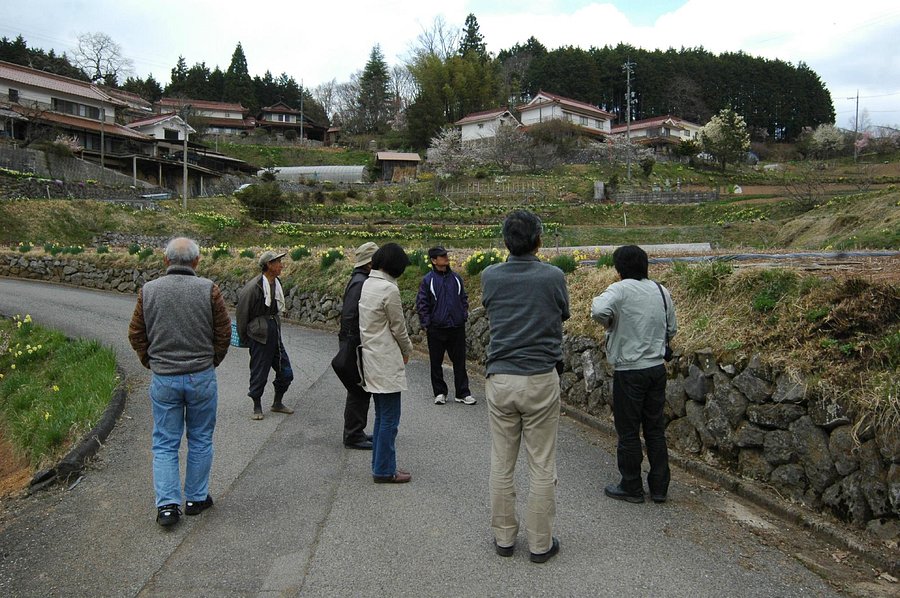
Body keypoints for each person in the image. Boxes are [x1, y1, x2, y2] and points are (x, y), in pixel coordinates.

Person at [481, 210, 570, 563]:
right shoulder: (553, 276)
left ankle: (504, 539)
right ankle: (539, 544)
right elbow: (562, 313)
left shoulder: (490, 276)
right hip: (540, 378)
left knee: (502, 462)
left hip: (501, 377)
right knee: (542, 464)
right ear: (539, 240)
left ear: (506, 242)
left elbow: (490, 307)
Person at [128, 237, 230, 527]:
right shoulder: (209, 290)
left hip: (164, 378)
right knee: (200, 438)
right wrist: (210, 362)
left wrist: (152, 362)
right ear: (197, 262)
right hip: (201, 376)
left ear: (166, 261)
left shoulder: (148, 291)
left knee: (164, 443)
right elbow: (223, 333)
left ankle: (168, 506)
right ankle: (196, 499)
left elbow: (136, 334)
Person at [590, 245, 678, 505]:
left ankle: (631, 485)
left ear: (619, 269)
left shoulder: (620, 289)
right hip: (656, 369)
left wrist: (611, 323)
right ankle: (659, 487)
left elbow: (598, 311)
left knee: (628, 431)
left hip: (629, 371)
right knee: (655, 429)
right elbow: (671, 329)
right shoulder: (662, 291)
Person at [358, 243, 414, 484]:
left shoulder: (367, 284)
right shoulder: (388, 289)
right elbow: (399, 328)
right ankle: (384, 470)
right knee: (390, 418)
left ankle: (380, 465)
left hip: (371, 357)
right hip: (385, 358)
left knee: (382, 416)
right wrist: (408, 349)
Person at [236, 250, 295, 420]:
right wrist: (245, 338)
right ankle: (257, 405)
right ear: (269, 265)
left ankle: (277, 403)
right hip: (259, 334)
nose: (281, 265)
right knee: (259, 371)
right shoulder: (254, 287)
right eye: (277, 262)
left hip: (274, 332)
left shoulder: (277, 284)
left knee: (286, 372)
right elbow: (242, 314)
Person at [333, 241, 378, 450]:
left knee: (359, 389)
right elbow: (352, 316)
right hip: (355, 343)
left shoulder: (358, 280)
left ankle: (356, 431)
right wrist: (356, 342)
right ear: (369, 263)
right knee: (358, 389)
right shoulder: (361, 283)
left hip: (352, 341)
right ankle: (353, 435)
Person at [415, 246, 474, 406]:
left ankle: (463, 393)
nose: (446, 258)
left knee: (460, 361)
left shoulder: (456, 278)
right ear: (434, 260)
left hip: (456, 326)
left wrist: (463, 315)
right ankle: (440, 392)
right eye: (442, 256)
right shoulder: (428, 280)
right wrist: (427, 324)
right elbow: (422, 303)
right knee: (436, 362)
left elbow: (463, 298)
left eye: (446, 255)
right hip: (436, 328)